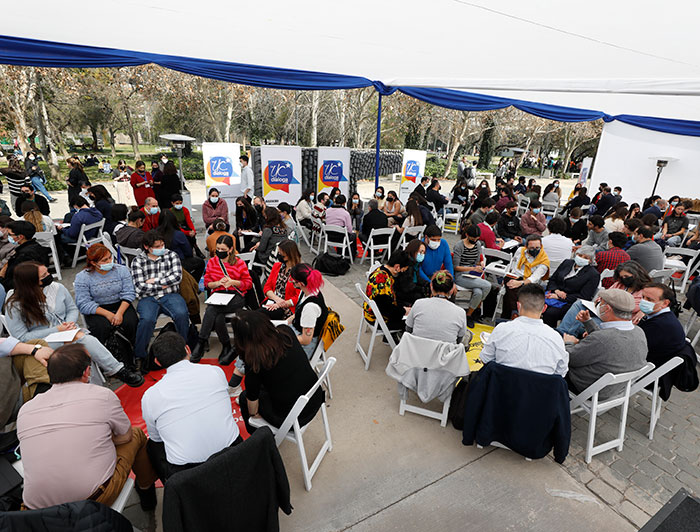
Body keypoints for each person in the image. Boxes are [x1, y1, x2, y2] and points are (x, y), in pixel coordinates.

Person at [17, 343, 157, 510]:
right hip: (91, 498)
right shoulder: (102, 396)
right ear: (86, 372)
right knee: (136, 434)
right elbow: (125, 436)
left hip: (35, 509)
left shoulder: (26, 409)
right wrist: (100, 439)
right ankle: (147, 492)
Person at [5, 262, 143, 386]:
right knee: (83, 339)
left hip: (67, 331)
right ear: (32, 282)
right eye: (44, 275)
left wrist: (69, 322)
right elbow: (21, 337)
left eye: (47, 271)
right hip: (41, 342)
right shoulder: (15, 304)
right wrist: (56, 330)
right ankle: (117, 370)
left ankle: (111, 373)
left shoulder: (57, 288)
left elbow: (71, 308)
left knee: (82, 338)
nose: (49, 276)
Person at [142, 332, 241, 483]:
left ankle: (160, 492)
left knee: (152, 447)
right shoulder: (214, 371)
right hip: (236, 452)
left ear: (157, 362)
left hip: (188, 472)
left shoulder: (150, 396)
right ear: (188, 349)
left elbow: (156, 438)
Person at [235, 312, 325, 435]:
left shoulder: (255, 361)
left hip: (293, 418)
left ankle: (260, 440)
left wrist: (255, 414)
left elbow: (252, 404)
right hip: (315, 398)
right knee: (262, 385)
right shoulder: (286, 332)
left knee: (244, 398)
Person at [563, 289, 648, 399]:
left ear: (607, 308)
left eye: (600, 302)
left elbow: (569, 358)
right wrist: (588, 322)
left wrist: (568, 342)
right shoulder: (639, 331)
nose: (598, 305)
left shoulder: (602, 339)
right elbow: (607, 342)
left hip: (588, 387)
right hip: (615, 388)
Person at [481, 284, 568, 376]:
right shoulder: (556, 338)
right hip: (538, 389)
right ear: (544, 308)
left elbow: (485, 360)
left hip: (499, 387)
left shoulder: (501, 329)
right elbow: (561, 374)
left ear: (518, 305)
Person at [190, 235, 251, 364]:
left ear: (230, 249)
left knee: (212, 309)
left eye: (223, 249)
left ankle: (201, 342)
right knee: (217, 316)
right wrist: (218, 283)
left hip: (236, 296)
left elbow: (248, 284)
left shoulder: (239, 263)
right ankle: (226, 345)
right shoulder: (212, 262)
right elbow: (206, 284)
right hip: (219, 295)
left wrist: (233, 282)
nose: (219, 251)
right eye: (218, 248)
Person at [131, 231, 190, 362]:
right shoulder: (138, 261)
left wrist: (154, 281)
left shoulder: (171, 255)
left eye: (162, 245)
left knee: (181, 314)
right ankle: (140, 356)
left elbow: (176, 277)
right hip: (147, 298)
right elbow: (139, 287)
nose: (161, 249)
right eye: (157, 247)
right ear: (147, 247)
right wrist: (162, 284)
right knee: (146, 320)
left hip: (170, 295)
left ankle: (183, 348)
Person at [557, 260, 650, 338]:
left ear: (636, 274)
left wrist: (643, 311)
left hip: (617, 318)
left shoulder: (645, 291)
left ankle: (565, 337)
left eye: (626, 277)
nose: (623, 279)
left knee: (579, 321)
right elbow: (604, 295)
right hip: (603, 310)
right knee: (578, 305)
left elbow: (638, 306)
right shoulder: (620, 284)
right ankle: (562, 333)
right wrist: (600, 300)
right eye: (621, 277)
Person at [74, 242, 138, 350]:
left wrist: (119, 313)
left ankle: (134, 353)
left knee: (131, 323)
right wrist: (108, 314)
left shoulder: (121, 270)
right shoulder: (83, 277)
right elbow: (83, 303)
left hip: (121, 304)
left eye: (110, 258)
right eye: (105, 260)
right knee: (101, 327)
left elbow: (129, 293)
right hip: (97, 308)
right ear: (94, 263)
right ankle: (106, 356)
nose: (109, 262)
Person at [541, 246, 600, 327]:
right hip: (553, 293)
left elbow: (584, 296)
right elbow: (553, 279)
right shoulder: (567, 263)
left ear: (590, 261)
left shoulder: (593, 274)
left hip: (570, 302)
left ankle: (550, 332)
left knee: (549, 312)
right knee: (535, 303)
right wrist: (556, 291)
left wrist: (560, 297)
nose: (581, 258)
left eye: (586, 257)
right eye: (579, 255)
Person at [406, 271, 467, 343]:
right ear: (451, 291)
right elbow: (459, 339)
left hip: (416, 352)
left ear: (431, 287)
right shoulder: (460, 312)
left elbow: (408, 329)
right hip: (446, 354)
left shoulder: (418, 304)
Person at [638, 283, 687, 369]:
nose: (643, 301)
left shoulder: (659, 326)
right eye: (643, 297)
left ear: (665, 303)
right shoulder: (666, 316)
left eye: (649, 299)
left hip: (651, 369)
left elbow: (636, 348)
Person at [452, 224, 493, 327]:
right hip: (461, 275)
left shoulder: (478, 244)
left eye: (476, 239)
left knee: (478, 293)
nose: (475, 240)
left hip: (472, 274)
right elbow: (456, 267)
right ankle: (477, 308)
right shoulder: (459, 245)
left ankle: (469, 314)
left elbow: (477, 262)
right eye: (473, 238)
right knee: (487, 285)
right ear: (467, 235)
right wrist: (472, 268)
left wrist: (481, 264)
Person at [502, 235, 550, 319]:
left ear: (541, 246)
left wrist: (520, 283)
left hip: (530, 282)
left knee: (511, 290)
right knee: (509, 282)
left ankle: (510, 314)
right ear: (526, 247)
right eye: (531, 248)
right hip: (515, 276)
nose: (535, 250)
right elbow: (513, 266)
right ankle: (514, 313)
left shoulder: (544, 261)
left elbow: (534, 278)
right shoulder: (520, 250)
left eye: (537, 247)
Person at [288, 263, 328, 359]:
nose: (291, 281)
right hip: (296, 332)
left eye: (293, 280)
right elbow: (297, 313)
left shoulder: (310, 307)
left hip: (303, 348)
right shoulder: (309, 291)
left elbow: (306, 340)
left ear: (300, 284)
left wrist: (284, 340)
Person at [363, 251, 410, 332]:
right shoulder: (382, 279)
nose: (402, 272)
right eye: (403, 270)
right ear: (397, 267)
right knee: (412, 323)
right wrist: (404, 311)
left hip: (371, 312)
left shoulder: (381, 270)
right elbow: (386, 309)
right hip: (377, 319)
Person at [1, 221, 50, 291]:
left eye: (10, 234)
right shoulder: (36, 247)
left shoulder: (24, 255)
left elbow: (20, 282)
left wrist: (1, 278)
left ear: (20, 237)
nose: (8, 236)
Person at [260, 240, 302, 321]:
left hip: (286, 307)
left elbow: (298, 297)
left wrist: (281, 304)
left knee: (260, 316)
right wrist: (276, 299)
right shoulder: (277, 266)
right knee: (259, 314)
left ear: (289, 255)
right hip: (273, 300)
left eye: (281, 254)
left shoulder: (298, 272)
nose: (278, 255)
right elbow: (267, 287)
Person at [158, 209, 205, 282]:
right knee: (201, 263)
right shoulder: (178, 234)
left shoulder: (155, 233)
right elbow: (188, 252)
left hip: (160, 263)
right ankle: (192, 283)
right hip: (178, 263)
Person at [395, 239, 430, 306]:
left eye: (423, 253)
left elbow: (417, 278)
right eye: (420, 252)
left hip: (409, 290)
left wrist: (428, 284)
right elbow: (408, 287)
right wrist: (423, 289)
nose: (422, 255)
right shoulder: (406, 265)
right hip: (402, 295)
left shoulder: (415, 263)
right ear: (413, 250)